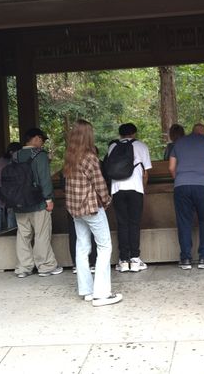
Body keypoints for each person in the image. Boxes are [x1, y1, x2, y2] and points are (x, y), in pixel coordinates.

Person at [63, 119, 123, 306]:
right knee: (104, 246)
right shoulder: (89, 157)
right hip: (90, 207)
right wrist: (107, 200)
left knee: (82, 247)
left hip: (74, 209)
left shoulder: (69, 157)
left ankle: (87, 290)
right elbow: (99, 183)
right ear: (88, 135)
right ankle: (102, 294)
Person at [169, 122, 204, 269]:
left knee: (184, 222)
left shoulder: (179, 143)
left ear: (191, 132)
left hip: (181, 186)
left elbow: (171, 167)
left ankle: (185, 259)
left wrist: (179, 179)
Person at [13, 128, 63, 278]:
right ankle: (45, 266)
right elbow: (44, 178)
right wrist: (49, 199)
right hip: (38, 202)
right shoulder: (39, 155)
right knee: (41, 234)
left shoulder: (15, 156)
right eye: (42, 139)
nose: (42, 143)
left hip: (19, 202)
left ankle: (23, 268)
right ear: (35, 138)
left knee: (23, 235)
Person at [108, 123, 152, 273]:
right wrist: (143, 188)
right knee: (134, 223)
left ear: (120, 134)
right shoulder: (141, 146)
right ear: (134, 133)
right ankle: (135, 259)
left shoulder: (112, 147)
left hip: (117, 189)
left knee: (122, 223)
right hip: (135, 189)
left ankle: (123, 260)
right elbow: (146, 173)